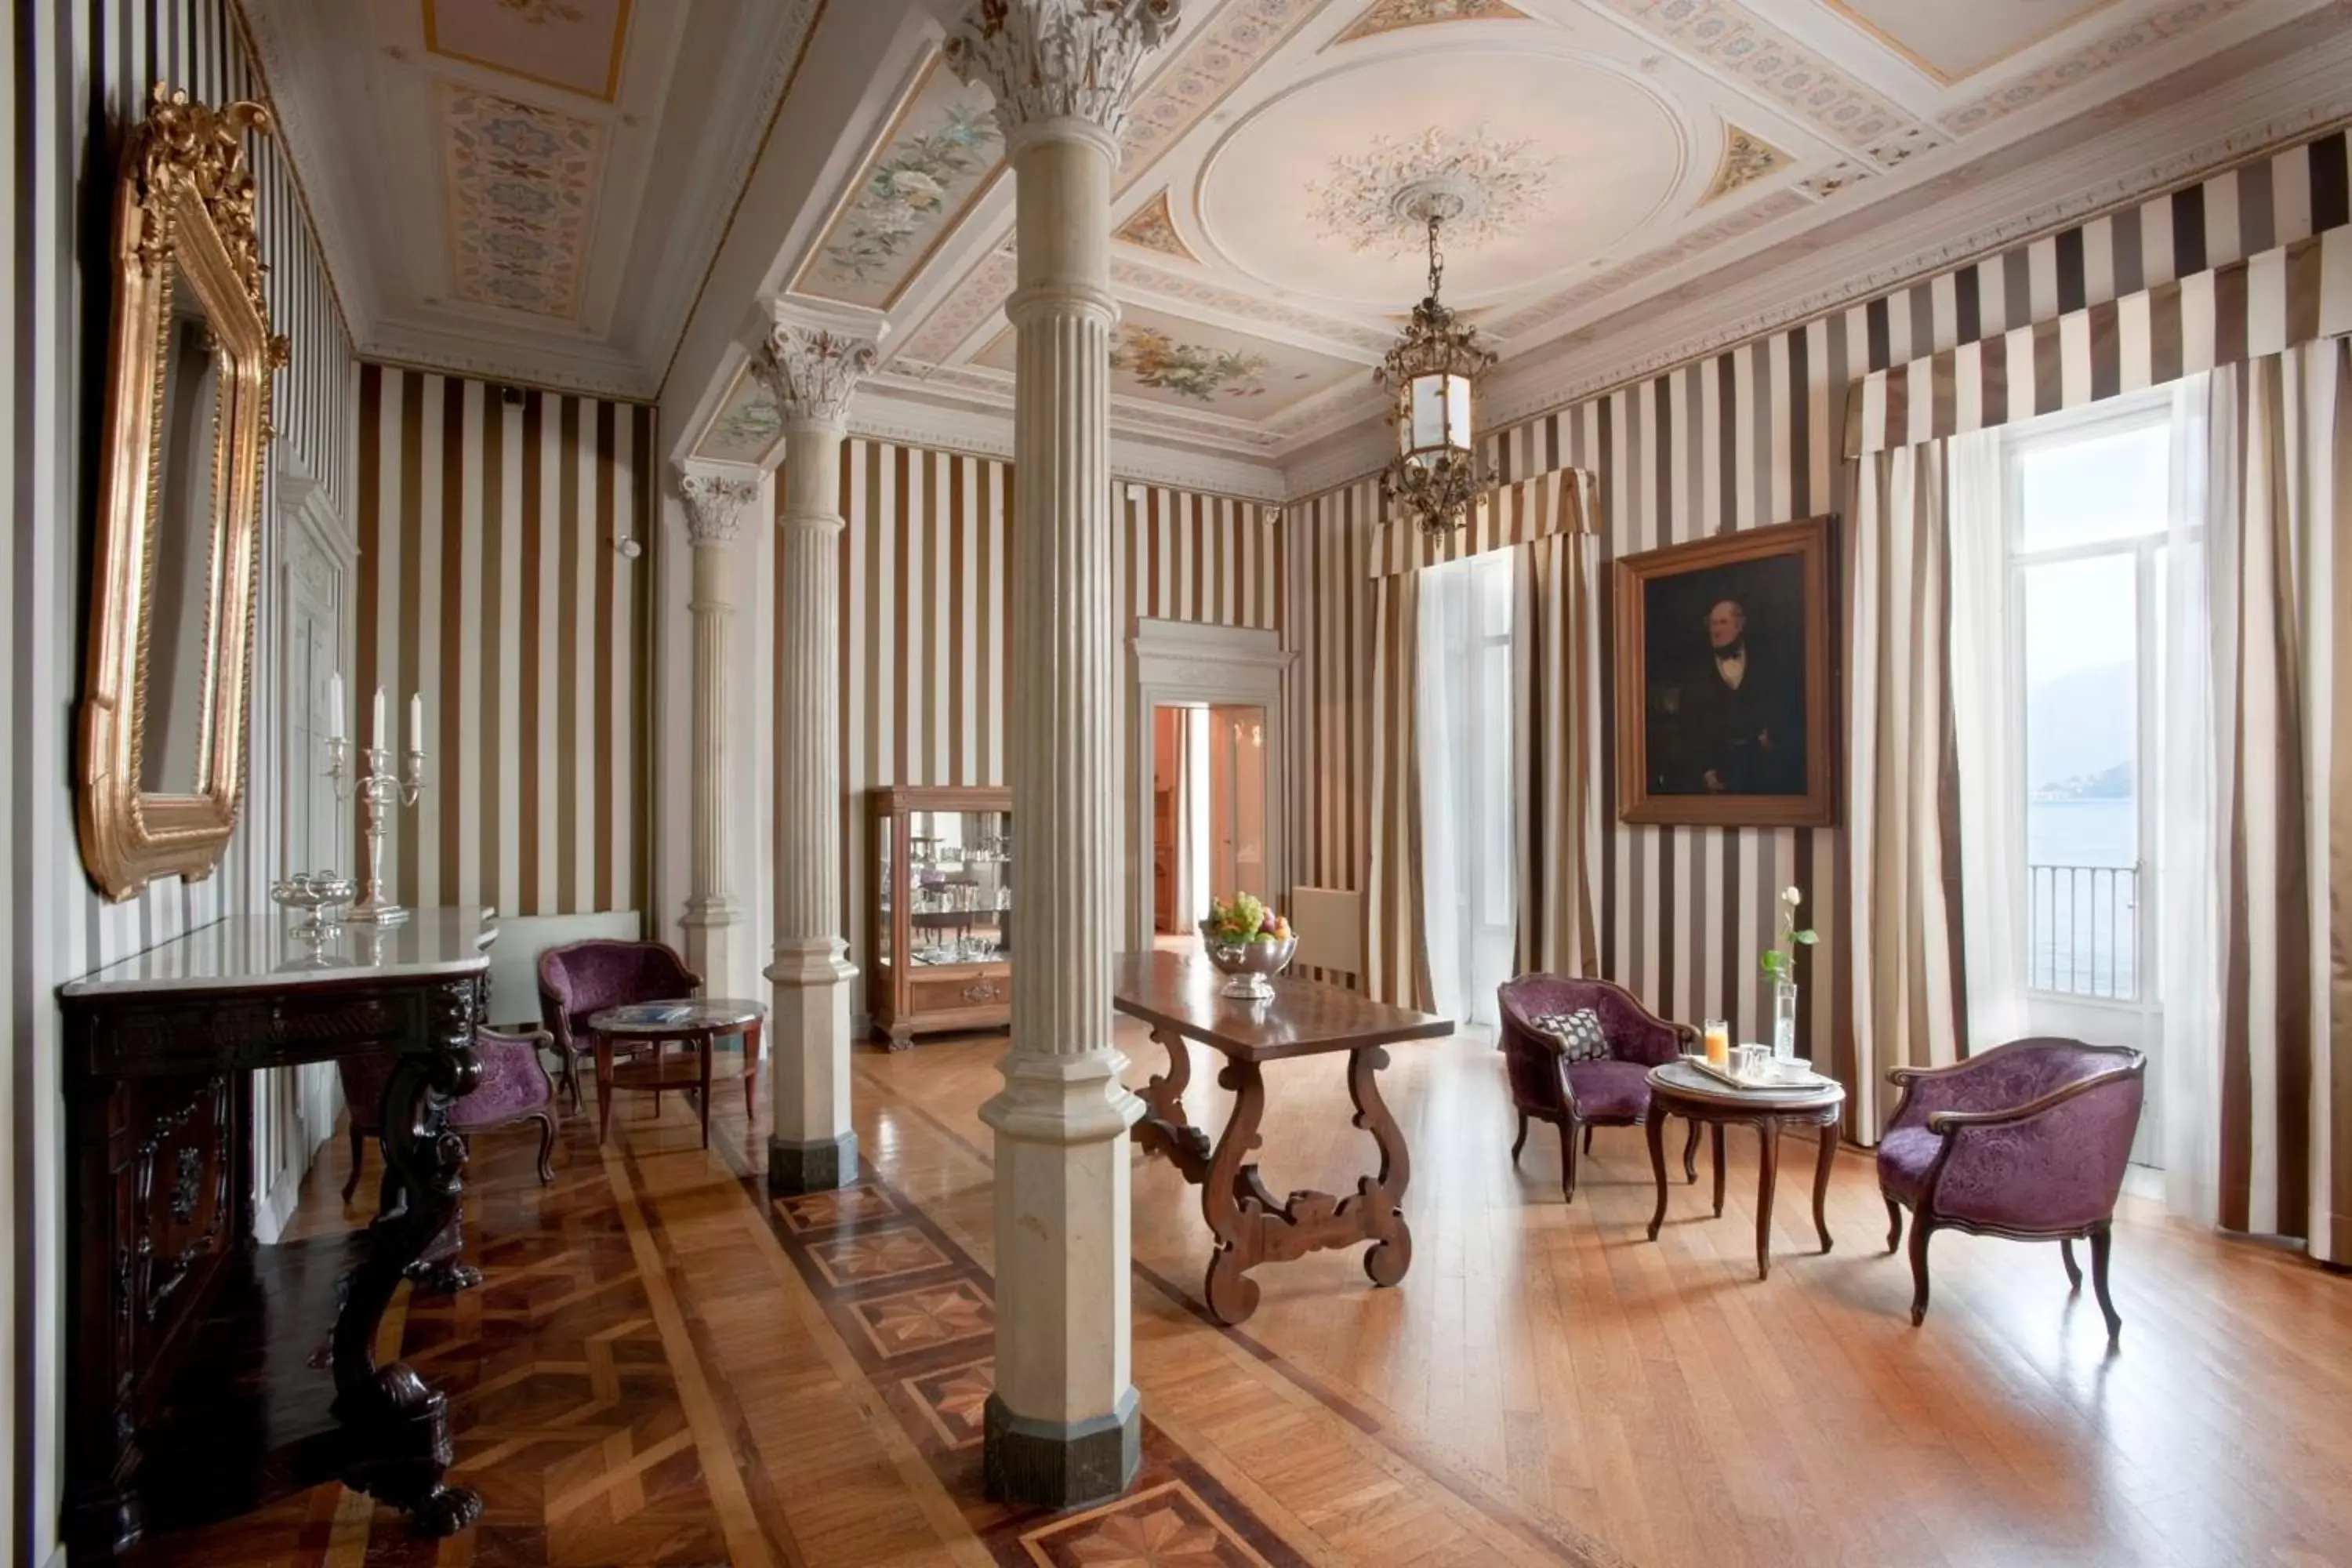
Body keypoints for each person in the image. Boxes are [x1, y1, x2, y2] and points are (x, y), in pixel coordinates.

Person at [1657, 597, 1803, 794]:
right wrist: (1704, 771)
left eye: (1723, 622)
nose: (1716, 630)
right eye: (1712, 624)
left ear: (1740, 625)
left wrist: (1772, 737)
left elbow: (1785, 705)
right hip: (1719, 769)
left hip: (1763, 766)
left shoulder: (1767, 662)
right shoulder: (1696, 673)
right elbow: (1689, 726)